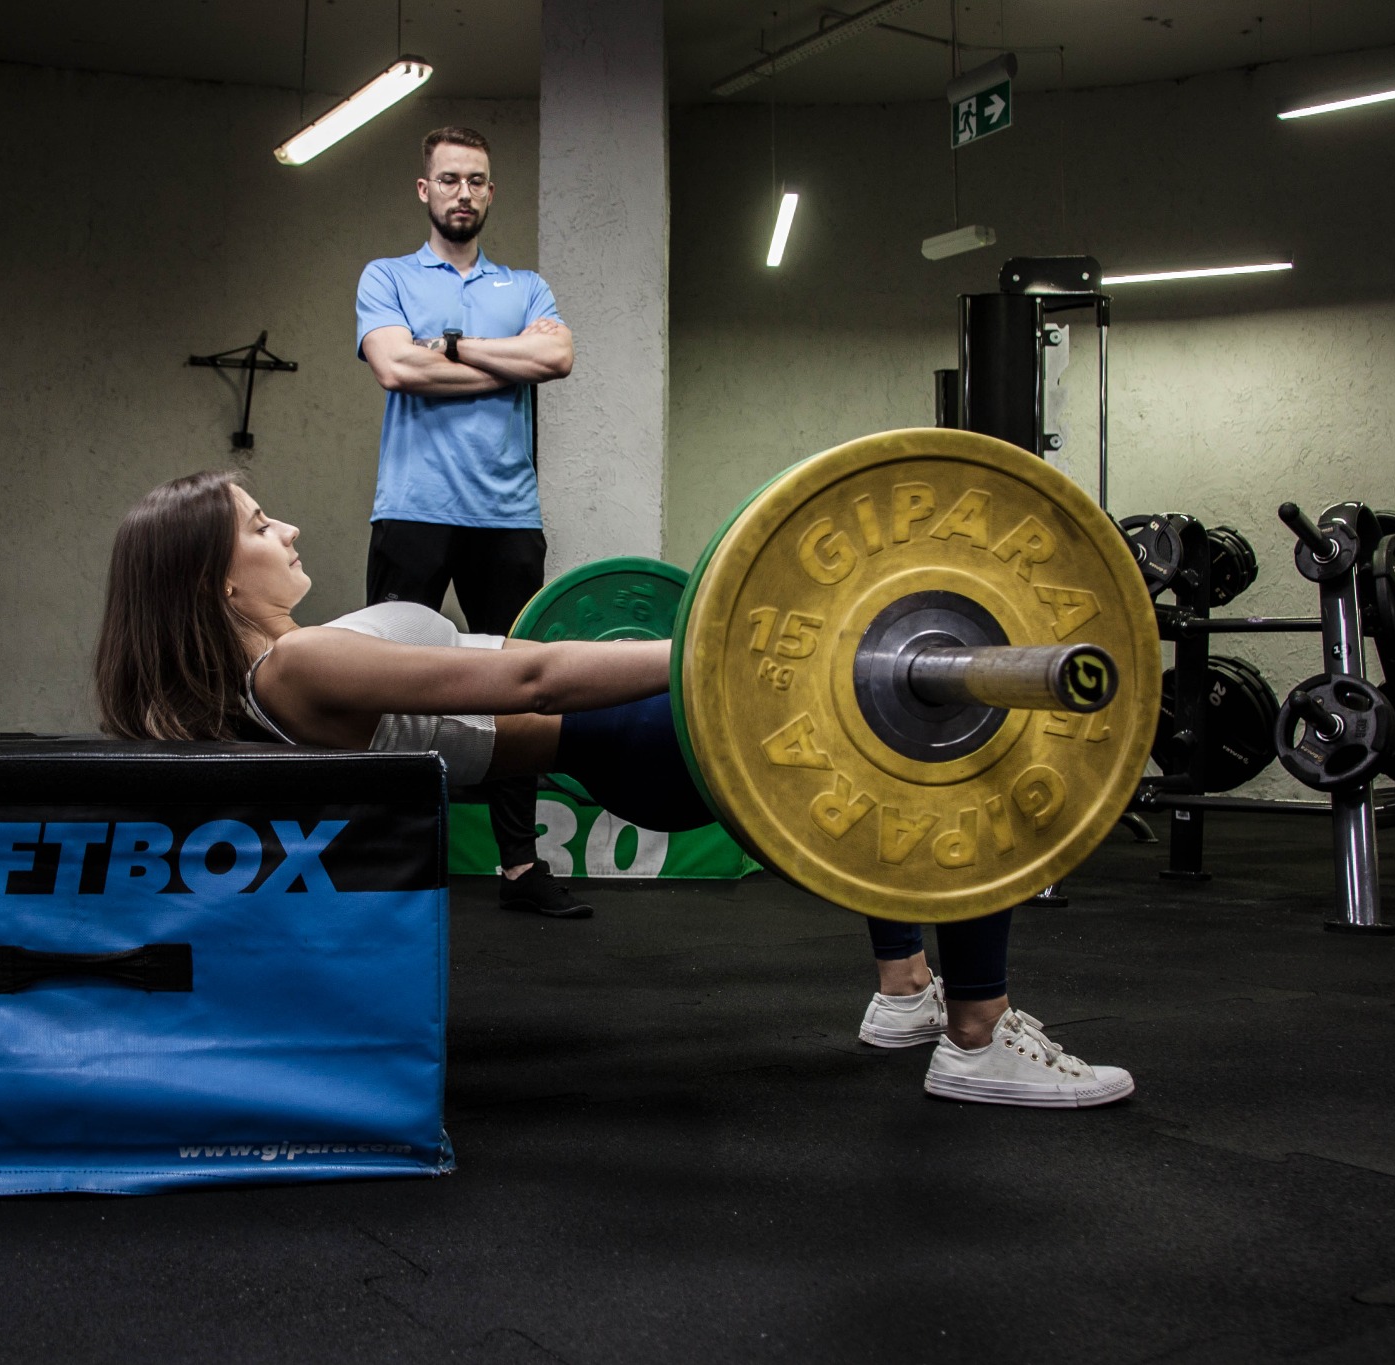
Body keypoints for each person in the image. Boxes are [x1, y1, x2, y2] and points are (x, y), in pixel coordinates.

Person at [92, 470, 1135, 1109]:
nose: (286, 531)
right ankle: (977, 1034)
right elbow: (532, 677)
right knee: (946, 772)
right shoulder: (297, 667)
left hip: (618, 738)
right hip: (634, 736)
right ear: (216, 580)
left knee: (878, 762)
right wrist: (714, 651)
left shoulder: (282, 669)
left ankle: (905, 994)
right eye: (259, 524)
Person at [354, 125, 585, 919]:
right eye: (449, 179)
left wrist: (449, 347)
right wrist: (503, 359)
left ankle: (520, 866)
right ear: (425, 190)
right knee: (389, 689)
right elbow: (395, 366)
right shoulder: (386, 275)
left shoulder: (526, 286)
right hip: (411, 510)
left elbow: (556, 360)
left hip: (507, 516)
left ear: (491, 192)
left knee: (519, 693)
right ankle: (386, 862)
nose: (463, 192)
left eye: (477, 180)